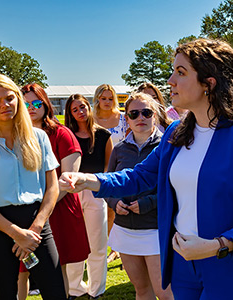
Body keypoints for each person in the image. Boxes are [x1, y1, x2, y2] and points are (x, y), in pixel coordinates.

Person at [59, 38, 233, 299]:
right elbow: (140, 175)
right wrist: (90, 180)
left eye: (181, 72)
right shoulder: (176, 132)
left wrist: (216, 246)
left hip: (228, 264)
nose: (170, 80)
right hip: (182, 263)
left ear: (209, 83)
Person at [0, 73, 66, 300]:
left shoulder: (38, 137)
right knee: (5, 295)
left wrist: (35, 229)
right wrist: (15, 233)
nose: (5, 105)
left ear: (18, 98)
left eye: (9, 98)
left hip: (37, 226)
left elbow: (52, 187)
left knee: (56, 292)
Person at [18, 83, 90, 299]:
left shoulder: (61, 134)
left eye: (36, 102)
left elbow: (68, 181)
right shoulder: (15, 136)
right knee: (20, 270)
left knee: (58, 270)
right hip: (22, 211)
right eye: (25, 103)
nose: (31, 108)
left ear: (46, 104)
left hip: (58, 209)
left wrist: (42, 211)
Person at [106, 92, 173, 300]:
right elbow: (109, 184)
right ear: (126, 118)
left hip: (156, 229)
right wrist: (115, 203)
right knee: (142, 290)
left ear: (155, 115)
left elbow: (173, 188)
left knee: (164, 293)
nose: (140, 118)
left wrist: (147, 204)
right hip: (126, 229)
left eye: (146, 112)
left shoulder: (168, 147)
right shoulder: (119, 150)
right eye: (134, 114)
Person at [65, 94, 113, 299]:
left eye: (82, 107)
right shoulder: (68, 135)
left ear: (89, 107)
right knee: (75, 243)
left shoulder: (103, 135)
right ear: (70, 113)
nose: (80, 112)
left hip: (95, 190)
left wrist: (99, 189)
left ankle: (96, 289)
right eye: (75, 109)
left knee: (98, 243)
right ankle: (75, 288)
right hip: (72, 192)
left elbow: (108, 166)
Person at [93, 84, 128, 263]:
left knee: (116, 208)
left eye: (110, 98)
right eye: (103, 98)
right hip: (98, 169)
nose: (107, 102)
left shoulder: (123, 118)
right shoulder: (91, 119)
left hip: (120, 169)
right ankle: (105, 246)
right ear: (97, 99)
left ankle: (117, 249)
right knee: (101, 211)